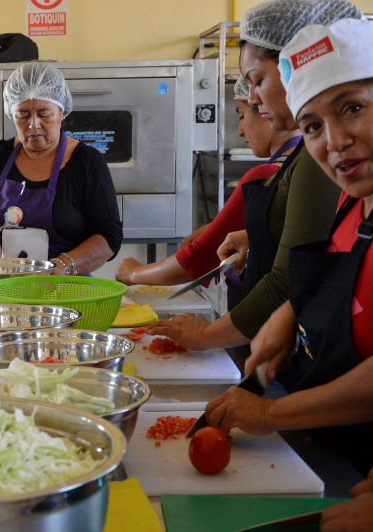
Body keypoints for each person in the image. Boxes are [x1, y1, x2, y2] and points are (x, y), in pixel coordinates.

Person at [146, 0, 357, 365]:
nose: (253, 98)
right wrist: (259, 239)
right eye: (313, 126)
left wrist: (205, 335)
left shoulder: (323, 159)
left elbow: (290, 277)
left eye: (258, 80)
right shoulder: (312, 154)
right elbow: (324, 249)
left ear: (301, 63)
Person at [205, 17, 373, 477]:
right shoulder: (351, 201)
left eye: (353, 108)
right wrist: (291, 314)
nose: (335, 141)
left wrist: (268, 415)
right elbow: (343, 280)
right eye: (313, 126)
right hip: (335, 452)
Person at [115, 78, 301, 311]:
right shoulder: (298, 165)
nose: (240, 130)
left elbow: (196, 258)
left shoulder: (264, 175)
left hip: (259, 321)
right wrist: (213, 231)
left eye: (242, 115)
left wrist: (134, 272)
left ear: (266, 111)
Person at [0, 63, 122, 276]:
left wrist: (65, 265)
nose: (33, 124)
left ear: (62, 113)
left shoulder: (86, 162)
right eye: (23, 115)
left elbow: (109, 235)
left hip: (63, 294)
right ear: (11, 115)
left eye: (44, 114)